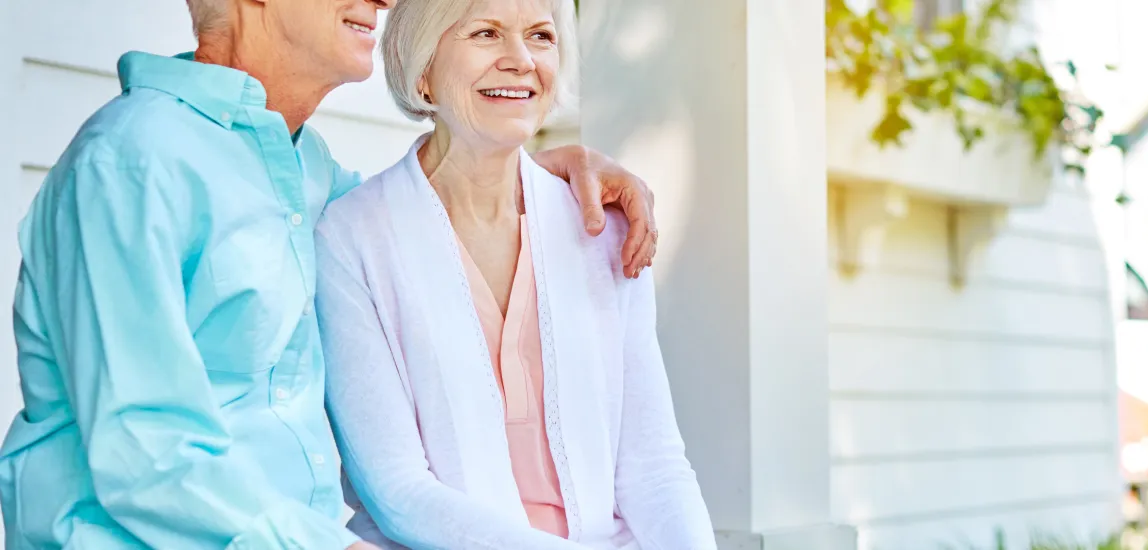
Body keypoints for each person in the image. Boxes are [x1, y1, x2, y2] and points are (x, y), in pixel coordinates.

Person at [0, 0, 660, 548]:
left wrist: (549, 163)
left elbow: (427, 209)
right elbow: (145, 450)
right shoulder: (132, 163)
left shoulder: (305, 171)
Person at [313, 0, 716, 548]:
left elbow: (655, 467)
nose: (521, 59)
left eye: (541, 36)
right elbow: (399, 493)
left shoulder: (607, 227)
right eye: (486, 33)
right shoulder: (351, 235)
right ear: (422, 69)